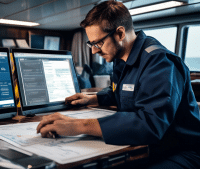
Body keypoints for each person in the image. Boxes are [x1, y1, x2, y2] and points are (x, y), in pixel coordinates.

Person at [36, 0, 200, 168]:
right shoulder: (122, 59)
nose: (93, 50)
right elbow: (122, 92)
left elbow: (150, 124)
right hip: (153, 147)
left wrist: (78, 125)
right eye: (90, 43)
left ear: (120, 34)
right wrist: (91, 99)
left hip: (183, 151)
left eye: (97, 43)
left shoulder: (160, 62)